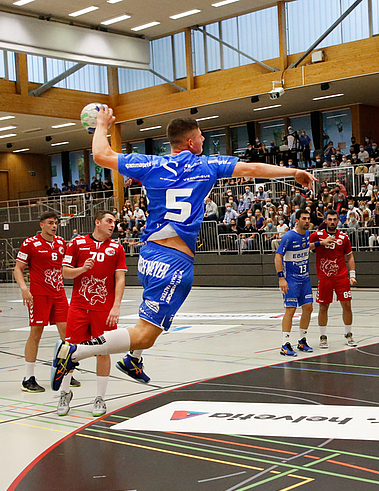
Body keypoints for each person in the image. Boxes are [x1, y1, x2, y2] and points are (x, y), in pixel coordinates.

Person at [51, 106, 316, 391]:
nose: (203, 140)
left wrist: (101, 125)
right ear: (191, 142)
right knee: (144, 335)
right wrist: (294, 171)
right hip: (173, 262)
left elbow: (102, 155)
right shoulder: (207, 166)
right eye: (201, 136)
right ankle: (74, 351)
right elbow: (252, 168)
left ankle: (132, 361)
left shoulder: (152, 165)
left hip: (150, 255)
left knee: (150, 325)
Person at [57, 210, 126, 417]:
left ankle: (100, 398)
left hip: (104, 309)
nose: (112, 225)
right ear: (97, 222)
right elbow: (65, 273)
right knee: (69, 350)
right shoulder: (77, 243)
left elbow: (120, 279)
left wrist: (116, 306)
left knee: (103, 352)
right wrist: (82, 269)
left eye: (114, 222)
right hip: (79, 306)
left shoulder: (117, 248)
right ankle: (64, 392)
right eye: (108, 221)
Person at [14, 212, 77, 393]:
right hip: (39, 295)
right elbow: (18, 269)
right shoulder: (30, 243)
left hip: (58, 294)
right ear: (42, 225)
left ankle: (65, 372)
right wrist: (25, 290)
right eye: (50, 223)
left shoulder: (60, 243)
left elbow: (66, 267)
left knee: (67, 334)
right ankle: (28, 377)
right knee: (36, 333)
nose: (54, 226)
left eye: (55, 223)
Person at [275, 210, 321, 356]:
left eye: (308, 218)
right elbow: (278, 256)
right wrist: (281, 278)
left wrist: (321, 243)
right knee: (291, 309)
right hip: (291, 279)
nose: (307, 221)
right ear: (297, 220)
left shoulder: (307, 234)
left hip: (305, 278)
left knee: (308, 307)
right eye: (304, 218)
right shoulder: (289, 236)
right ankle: (285, 344)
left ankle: (302, 340)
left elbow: (306, 247)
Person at [310, 210, 357, 348]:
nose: (332, 222)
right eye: (329, 219)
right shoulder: (317, 235)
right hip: (324, 278)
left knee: (347, 305)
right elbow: (304, 246)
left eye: (334, 219)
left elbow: (350, 256)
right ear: (325, 220)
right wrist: (321, 243)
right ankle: (323, 337)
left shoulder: (344, 237)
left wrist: (352, 275)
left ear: (338, 221)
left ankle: (348, 334)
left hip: (341, 277)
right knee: (323, 307)